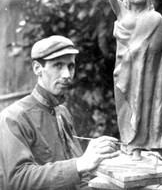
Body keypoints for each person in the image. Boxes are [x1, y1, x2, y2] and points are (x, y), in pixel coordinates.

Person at [0, 35, 119, 190]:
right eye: (58, 66)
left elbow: (80, 177)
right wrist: (81, 163)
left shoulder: (61, 112)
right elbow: (17, 180)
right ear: (37, 68)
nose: (67, 75)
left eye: (70, 66)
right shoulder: (13, 118)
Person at [104, 0, 162, 160]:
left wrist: (142, 56)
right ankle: (128, 143)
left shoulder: (155, 17)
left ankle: (139, 146)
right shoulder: (121, 11)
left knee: (145, 101)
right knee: (124, 106)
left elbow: (158, 48)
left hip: (146, 70)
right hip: (124, 69)